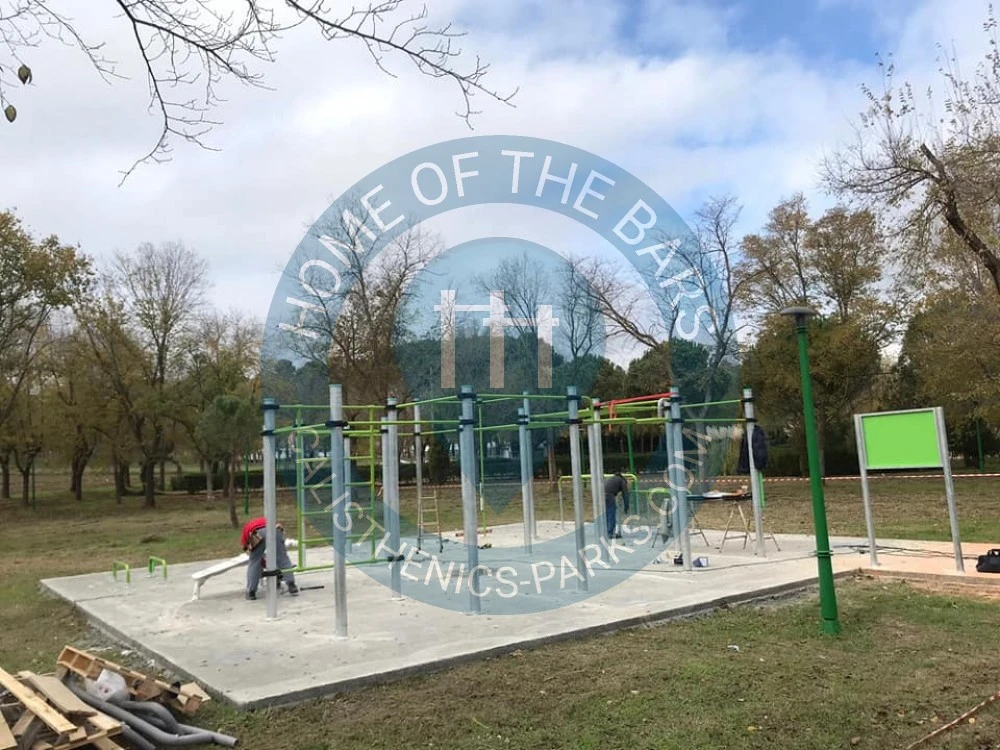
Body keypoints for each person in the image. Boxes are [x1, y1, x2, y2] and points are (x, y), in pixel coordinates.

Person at [241, 516, 298, 599]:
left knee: (254, 561)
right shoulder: (266, 518)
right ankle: (291, 585)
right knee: (282, 557)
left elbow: (248, 551)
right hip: (275, 529)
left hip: (257, 532)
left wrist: (259, 560)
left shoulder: (246, 531)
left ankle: (251, 592)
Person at [603, 470, 629, 539]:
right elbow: (625, 495)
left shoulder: (612, 478)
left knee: (607, 514)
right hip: (609, 496)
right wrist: (626, 507)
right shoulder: (622, 481)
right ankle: (610, 533)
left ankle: (605, 531)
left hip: (602, 495)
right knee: (611, 514)